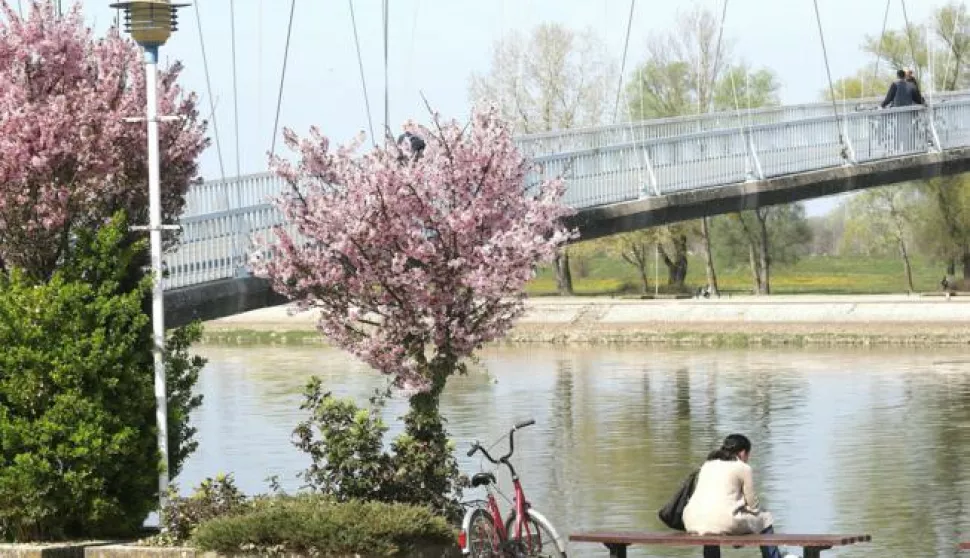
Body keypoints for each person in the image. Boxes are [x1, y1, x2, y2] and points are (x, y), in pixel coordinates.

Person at [682, 434, 798, 558]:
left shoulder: (707, 465)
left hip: (691, 520)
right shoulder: (743, 468)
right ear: (742, 452)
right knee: (765, 519)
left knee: (711, 525)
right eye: (748, 454)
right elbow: (753, 505)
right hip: (725, 522)